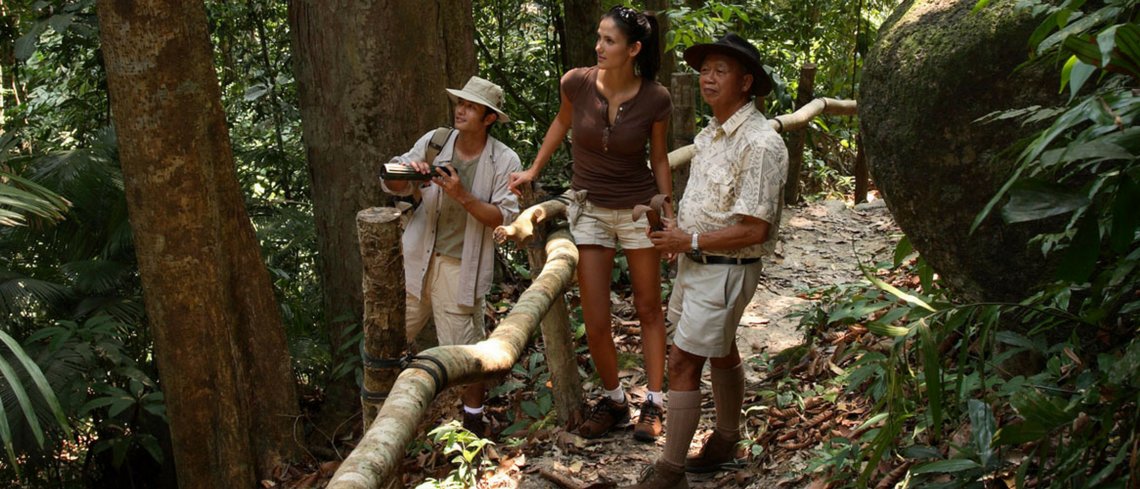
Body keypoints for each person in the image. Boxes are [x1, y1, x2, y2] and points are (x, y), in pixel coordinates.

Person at [624, 33, 788, 488]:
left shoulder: (759, 143)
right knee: (720, 349)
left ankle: (670, 470)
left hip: (723, 269)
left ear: (746, 82)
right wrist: (669, 215)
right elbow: (712, 202)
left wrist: (689, 238)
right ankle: (726, 439)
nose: (708, 78)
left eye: (721, 70)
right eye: (705, 69)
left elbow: (756, 230)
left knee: (683, 364)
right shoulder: (713, 133)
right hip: (700, 264)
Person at [508, 5, 673, 442]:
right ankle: (616, 400)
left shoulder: (655, 97)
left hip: (638, 209)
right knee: (595, 317)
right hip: (591, 209)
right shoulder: (576, 83)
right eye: (599, 38)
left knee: (649, 307)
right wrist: (532, 171)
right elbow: (561, 122)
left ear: (634, 49)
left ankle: (655, 403)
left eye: (610, 41)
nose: (599, 47)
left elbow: (658, 158)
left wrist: (667, 211)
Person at [381, 76, 522, 437]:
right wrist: (404, 177)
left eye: (471, 106)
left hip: (460, 266)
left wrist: (462, 194)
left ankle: (472, 420)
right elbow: (395, 184)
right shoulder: (435, 141)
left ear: (489, 118)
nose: (461, 110)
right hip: (416, 258)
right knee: (388, 337)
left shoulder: (503, 159)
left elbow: (503, 217)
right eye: (460, 103)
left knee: (464, 351)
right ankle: (379, 416)